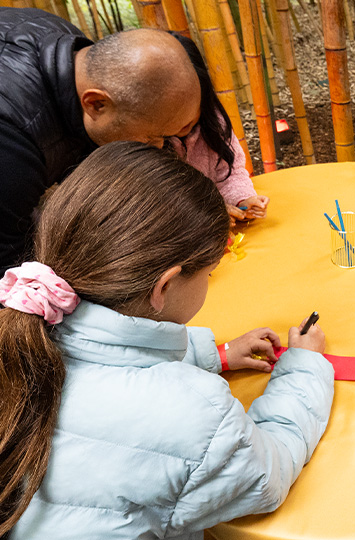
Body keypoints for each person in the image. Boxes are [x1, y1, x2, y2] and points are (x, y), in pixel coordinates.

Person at [0, 142, 334, 539]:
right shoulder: (196, 413)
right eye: (208, 273)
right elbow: (267, 475)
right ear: (164, 286)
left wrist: (219, 353)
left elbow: (103, 354)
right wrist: (305, 366)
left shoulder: (25, 326)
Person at [0, 8, 201, 274]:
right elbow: (10, 272)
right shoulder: (12, 146)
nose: (159, 146)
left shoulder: (71, 49)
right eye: (154, 136)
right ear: (96, 103)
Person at [168, 33, 269, 226]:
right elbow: (159, 204)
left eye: (191, 101)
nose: (183, 116)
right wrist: (209, 212)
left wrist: (243, 200)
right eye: (171, 105)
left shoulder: (214, 121)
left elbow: (230, 173)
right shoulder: (143, 140)